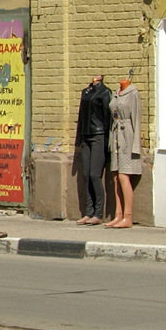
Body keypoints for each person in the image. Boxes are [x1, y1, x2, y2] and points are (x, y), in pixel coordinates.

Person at [74, 74, 112, 224]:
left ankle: (98, 213)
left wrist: (107, 143)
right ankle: (88, 212)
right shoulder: (86, 92)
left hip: (99, 135)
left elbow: (107, 118)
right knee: (85, 174)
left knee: (95, 175)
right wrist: (79, 139)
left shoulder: (105, 92)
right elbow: (81, 116)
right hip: (86, 135)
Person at [106, 77, 143, 228]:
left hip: (127, 136)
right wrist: (110, 141)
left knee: (123, 176)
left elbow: (136, 119)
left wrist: (135, 146)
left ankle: (128, 216)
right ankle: (118, 214)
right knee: (115, 176)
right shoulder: (116, 93)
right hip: (115, 136)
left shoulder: (133, 93)